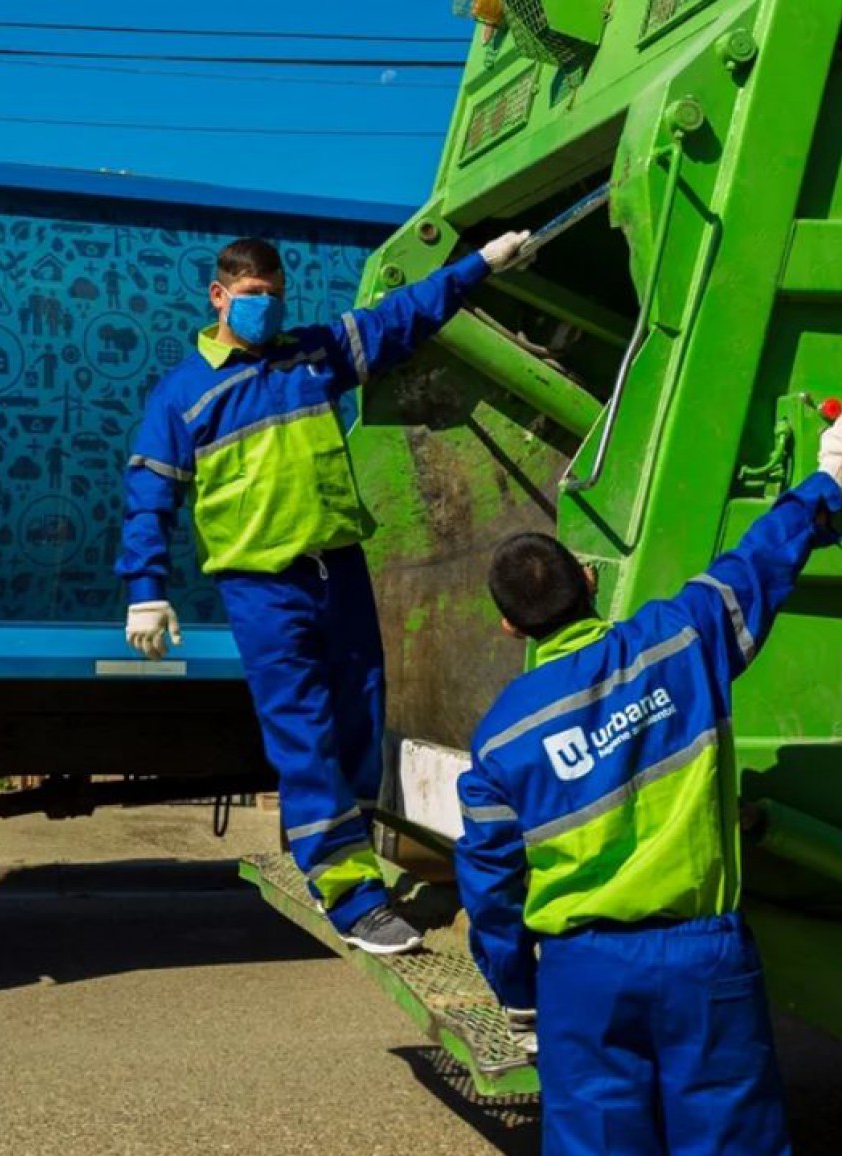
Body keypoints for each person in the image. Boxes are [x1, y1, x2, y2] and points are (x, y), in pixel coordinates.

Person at [454, 402, 842, 1154]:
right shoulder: (681, 642)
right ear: (589, 582)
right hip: (703, 962)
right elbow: (760, 561)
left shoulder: (500, 741)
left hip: (583, 977)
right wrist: (830, 474)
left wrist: (520, 992)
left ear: (510, 627)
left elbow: (490, 885)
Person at [116, 229, 531, 954]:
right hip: (262, 591)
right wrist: (145, 590)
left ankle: (351, 854)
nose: (267, 308)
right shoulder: (183, 395)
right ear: (219, 296)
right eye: (253, 296)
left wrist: (479, 266)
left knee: (361, 719)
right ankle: (349, 896)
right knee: (304, 734)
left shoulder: (312, 356)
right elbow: (148, 497)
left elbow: (400, 317)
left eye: (275, 296)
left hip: (337, 571)